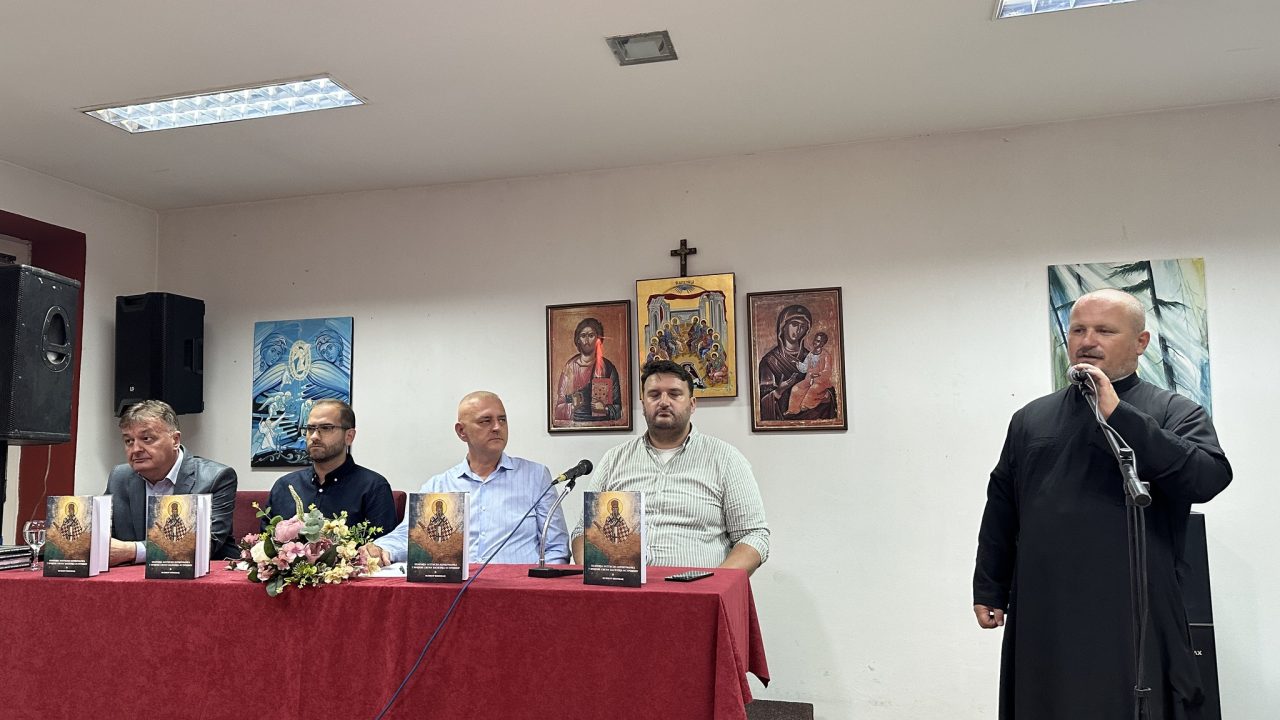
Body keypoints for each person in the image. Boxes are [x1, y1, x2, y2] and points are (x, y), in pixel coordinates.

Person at [972, 289, 1232, 720]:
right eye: (1078, 330)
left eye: (1104, 331)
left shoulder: (1173, 411)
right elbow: (1002, 505)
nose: (1087, 341)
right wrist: (990, 586)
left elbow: (1208, 478)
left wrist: (1119, 414)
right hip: (1046, 604)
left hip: (1132, 607)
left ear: (1140, 342)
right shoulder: (1031, 419)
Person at [571, 360, 770, 573]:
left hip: (699, 589)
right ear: (643, 404)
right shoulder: (614, 460)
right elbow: (583, 532)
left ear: (692, 404)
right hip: (624, 589)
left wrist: (718, 583)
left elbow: (753, 535)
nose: (664, 402)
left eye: (675, 394)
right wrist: (595, 574)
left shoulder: (726, 459)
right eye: (654, 395)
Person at [363, 391, 570, 565]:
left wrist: (538, 587)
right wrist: (381, 548)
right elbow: (410, 538)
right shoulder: (439, 486)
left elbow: (557, 548)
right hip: (455, 592)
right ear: (462, 431)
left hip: (519, 592)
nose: (497, 427)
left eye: (502, 420)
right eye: (486, 421)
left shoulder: (536, 477)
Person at [106, 400, 238, 564]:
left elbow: (207, 543)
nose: (136, 449)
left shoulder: (216, 478)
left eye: (146, 438)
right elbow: (100, 534)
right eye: (129, 441)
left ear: (175, 440)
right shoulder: (119, 477)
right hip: (133, 577)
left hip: (205, 575)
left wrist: (133, 551)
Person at [265, 400, 397, 538]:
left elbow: (383, 546)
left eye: (326, 428)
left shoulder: (373, 487)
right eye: (310, 428)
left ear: (349, 436)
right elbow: (265, 544)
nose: (314, 436)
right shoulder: (284, 486)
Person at [553, 317, 623, 423]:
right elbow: (558, 409)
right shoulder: (569, 367)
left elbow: (618, 410)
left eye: (591, 335)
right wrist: (573, 406)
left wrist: (605, 409)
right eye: (583, 336)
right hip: (575, 424)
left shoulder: (608, 368)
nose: (586, 341)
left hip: (601, 426)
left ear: (598, 339)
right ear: (578, 340)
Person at [757, 304, 811, 420]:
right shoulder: (770, 361)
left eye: (803, 326)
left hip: (809, 415)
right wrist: (779, 390)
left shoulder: (810, 357)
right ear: (783, 326)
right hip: (782, 418)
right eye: (794, 324)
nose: (798, 330)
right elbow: (762, 400)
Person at [786, 331, 836, 416]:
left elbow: (827, 371)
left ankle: (810, 403)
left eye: (818, 341)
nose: (815, 342)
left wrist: (817, 375)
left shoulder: (826, 355)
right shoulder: (811, 354)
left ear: (823, 343)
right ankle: (792, 410)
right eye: (815, 340)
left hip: (821, 381)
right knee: (795, 388)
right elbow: (805, 368)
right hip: (808, 380)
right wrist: (797, 363)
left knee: (812, 390)